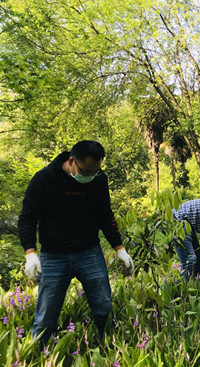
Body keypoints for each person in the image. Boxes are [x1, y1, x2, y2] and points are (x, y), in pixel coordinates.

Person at [18, 140, 134, 346]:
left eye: (95, 171)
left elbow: (105, 215)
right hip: (53, 255)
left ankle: (106, 347)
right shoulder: (44, 180)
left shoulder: (98, 179)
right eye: (86, 171)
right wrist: (30, 253)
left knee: (104, 304)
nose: (90, 176)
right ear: (72, 161)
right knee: (46, 314)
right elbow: (27, 218)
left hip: (89, 251)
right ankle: (38, 353)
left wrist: (120, 249)